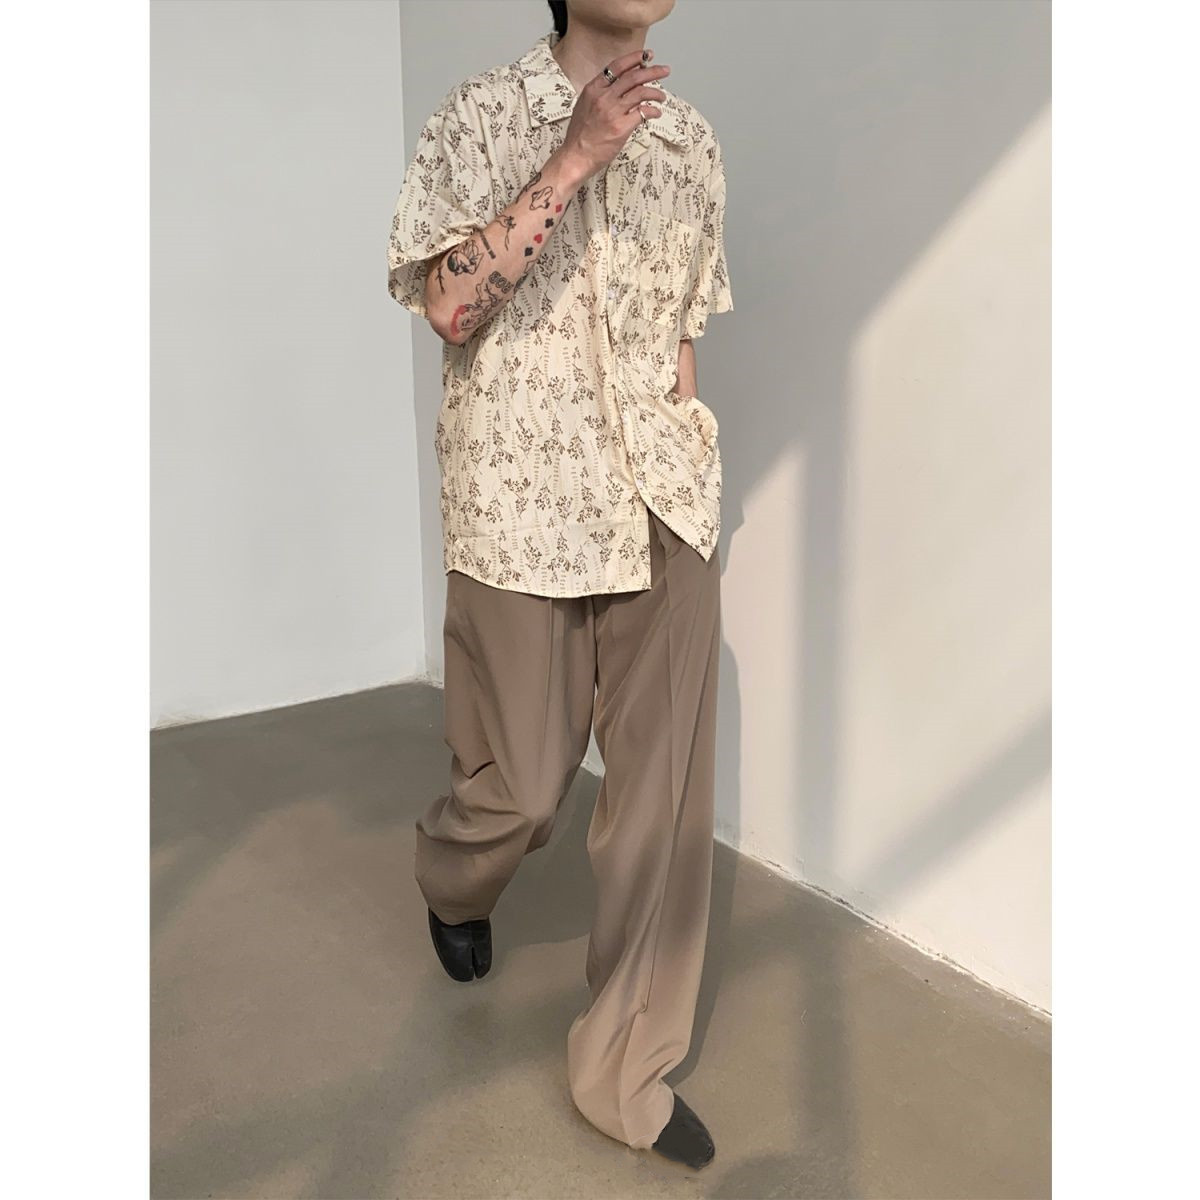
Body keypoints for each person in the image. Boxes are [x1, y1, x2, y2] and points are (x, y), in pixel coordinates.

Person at [386, 0, 733, 1171]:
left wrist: (691, 456)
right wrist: (575, 155)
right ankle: (454, 880)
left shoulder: (692, 143)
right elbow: (448, 306)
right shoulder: (483, 115)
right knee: (524, 791)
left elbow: (681, 336)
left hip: (660, 502)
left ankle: (624, 1069)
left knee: (661, 809)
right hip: (521, 505)